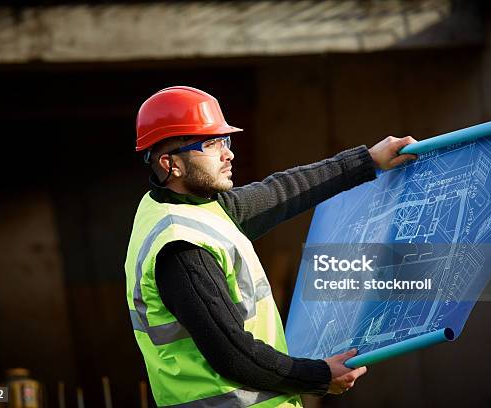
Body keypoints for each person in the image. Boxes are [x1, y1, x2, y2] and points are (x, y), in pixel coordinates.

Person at [124, 86, 417, 407]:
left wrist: (368, 160)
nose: (228, 153)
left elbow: (283, 190)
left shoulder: (198, 207)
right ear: (170, 165)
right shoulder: (181, 248)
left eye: (226, 140)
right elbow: (233, 354)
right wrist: (319, 376)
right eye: (211, 144)